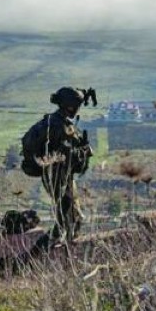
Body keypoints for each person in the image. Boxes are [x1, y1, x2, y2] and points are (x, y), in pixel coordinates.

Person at [32, 87, 94, 245]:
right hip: (60, 175)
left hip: (52, 173)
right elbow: (72, 159)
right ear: (70, 106)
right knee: (70, 214)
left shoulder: (51, 121)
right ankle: (62, 245)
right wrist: (84, 150)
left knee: (69, 212)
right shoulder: (62, 127)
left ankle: (62, 239)